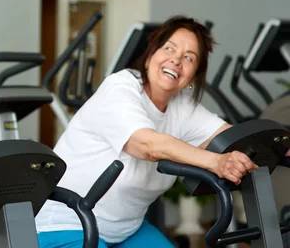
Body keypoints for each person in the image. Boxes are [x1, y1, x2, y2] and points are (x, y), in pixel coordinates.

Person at [35, 16, 259, 247]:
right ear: (150, 55)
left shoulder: (182, 107)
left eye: (188, 58)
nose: (176, 60)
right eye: (169, 48)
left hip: (125, 231)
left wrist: (281, 145)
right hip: (67, 223)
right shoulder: (120, 87)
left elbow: (237, 139)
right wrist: (216, 162)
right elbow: (147, 146)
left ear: (193, 78)